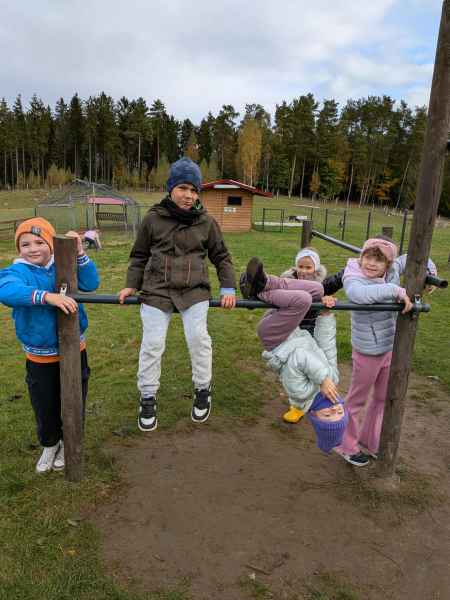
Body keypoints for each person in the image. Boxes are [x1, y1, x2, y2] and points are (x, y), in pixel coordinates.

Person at [118, 157, 236, 432]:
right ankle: (147, 396)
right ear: (170, 188)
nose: (189, 195)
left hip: (194, 290)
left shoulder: (206, 222)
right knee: (152, 344)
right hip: (157, 290)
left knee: (198, 339)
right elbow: (139, 255)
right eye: (183, 188)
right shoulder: (153, 219)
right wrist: (131, 284)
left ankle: (203, 388)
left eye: (194, 190)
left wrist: (228, 287)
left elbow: (222, 256)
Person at [0, 217, 99, 473]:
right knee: (45, 404)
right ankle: (50, 444)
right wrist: (47, 297)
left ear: (51, 244)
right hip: (40, 356)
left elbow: (91, 284)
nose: (32, 249)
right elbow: (7, 291)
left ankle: (69, 442)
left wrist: (79, 254)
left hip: (74, 350)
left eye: (39, 242)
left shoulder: (64, 263)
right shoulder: (18, 271)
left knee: (74, 400)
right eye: (25, 244)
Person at [240, 257, 348, 453]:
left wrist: (322, 379)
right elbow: (327, 346)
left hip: (275, 338)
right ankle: (264, 283)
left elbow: (299, 356)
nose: (333, 409)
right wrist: (325, 315)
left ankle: (257, 292)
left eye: (328, 416)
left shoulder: (301, 395)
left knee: (303, 301)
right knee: (317, 290)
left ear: (314, 415)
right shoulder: (333, 379)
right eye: (339, 412)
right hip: (289, 327)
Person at [335, 237, 426, 466]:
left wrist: (430, 272)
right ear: (361, 257)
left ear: (388, 264)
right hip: (367, 350)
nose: (371, 263)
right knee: (356, 399)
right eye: (368, 257)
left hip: (388, 347)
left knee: (381, 398)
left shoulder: (391, 270)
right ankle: (345, 444)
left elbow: (412, 258)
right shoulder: (354, 275)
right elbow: (358, 294)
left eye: (378, 260)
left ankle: (368, 439)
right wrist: (396, 290)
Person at [281, 247, 344, 337]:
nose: (303, 271)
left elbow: (335, 281)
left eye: (308, 267)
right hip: (291, 327)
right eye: (300, 267)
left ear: (315, 269)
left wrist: (351, 268)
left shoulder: (320, 285)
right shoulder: (288, 283)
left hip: (311, 327)